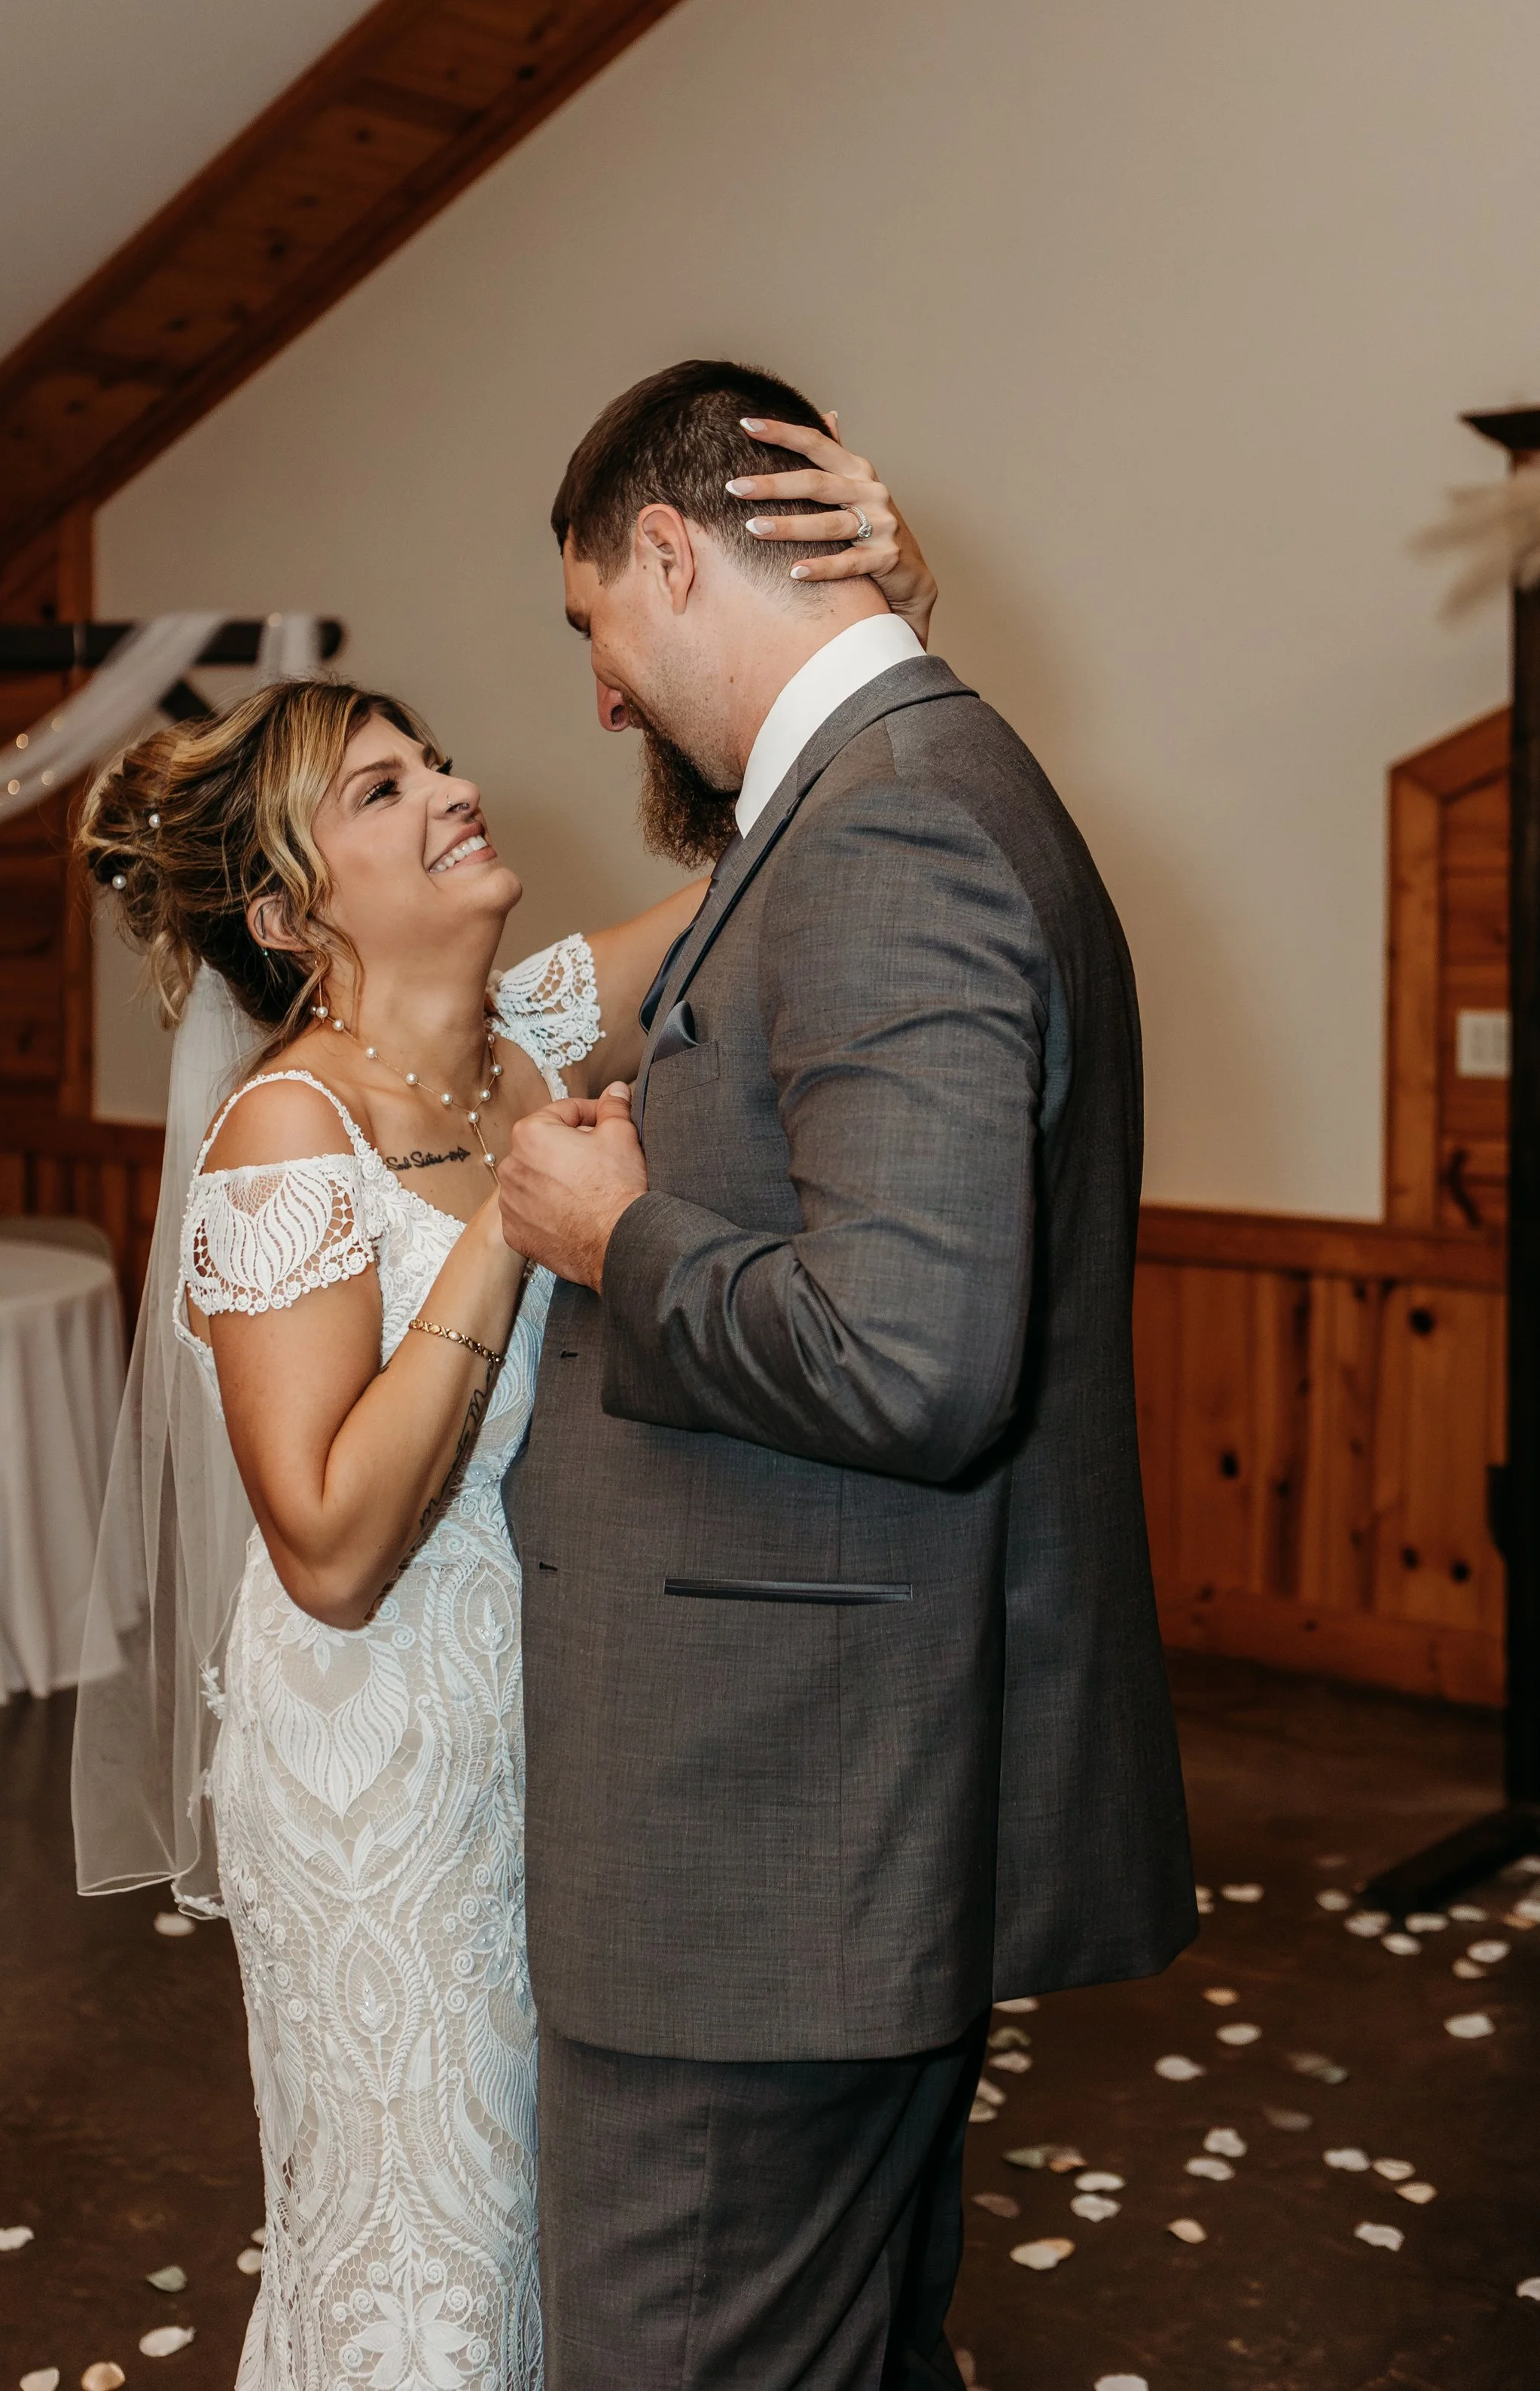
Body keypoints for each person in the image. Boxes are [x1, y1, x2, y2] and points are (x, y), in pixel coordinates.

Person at [69, 446, 935, 2391]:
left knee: (552, 2250)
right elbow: (330, 1542)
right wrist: (508, 1232)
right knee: (430, 2267)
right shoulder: (281, 1133)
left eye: (431, 755)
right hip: (371, 1770)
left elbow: (781, 856)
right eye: (383, 790)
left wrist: (882, 619)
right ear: (296, 914)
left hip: (546, 1735)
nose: (452, 784)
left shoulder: (528, 1023)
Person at [497, 358, 1196, 2389]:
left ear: (663, 550)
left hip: (768, 1838)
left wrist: (608, 1240)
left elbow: (909, 1356)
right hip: (824, 1802)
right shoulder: (880, 798)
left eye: (593, 626)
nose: (604, 692)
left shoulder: (892, 832)